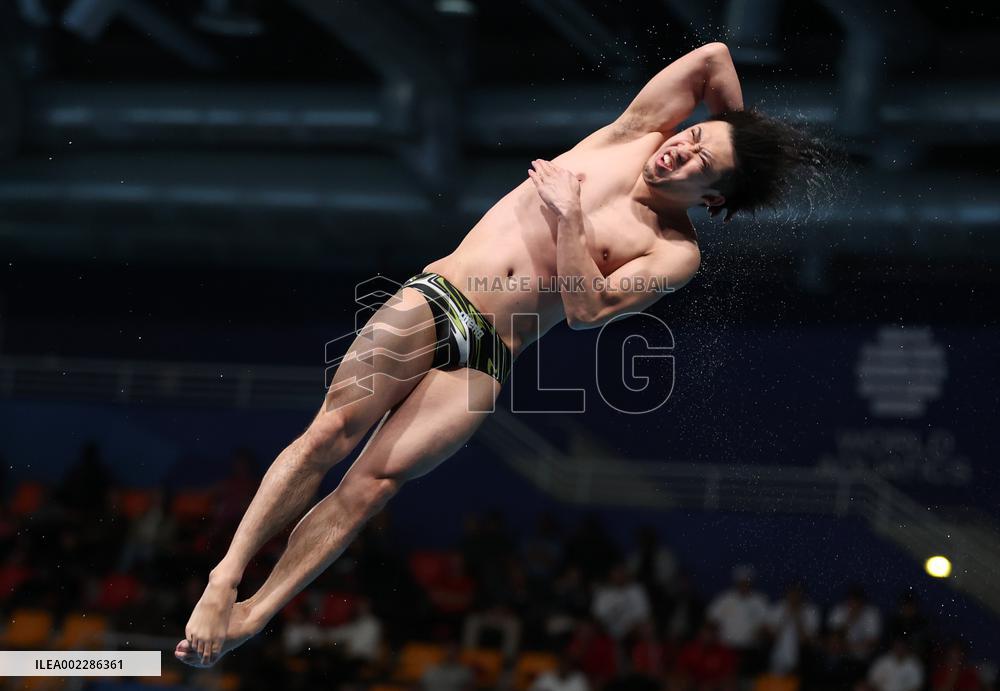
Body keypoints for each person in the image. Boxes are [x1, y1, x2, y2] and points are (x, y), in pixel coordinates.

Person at [175, 41, 823, 666]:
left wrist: (570, 218)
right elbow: (714, 57)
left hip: (486, 358)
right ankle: (223, 581)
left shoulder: (675, 251)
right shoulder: (635, 133)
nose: (681, 148)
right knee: (329, 432)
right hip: (439, 294)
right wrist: (740, 134)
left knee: (369, 489)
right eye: (694, 135)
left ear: (711, 200)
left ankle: (254, 616)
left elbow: (588, 310)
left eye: (699, 163)